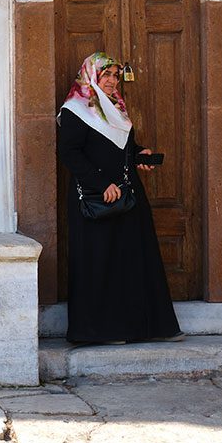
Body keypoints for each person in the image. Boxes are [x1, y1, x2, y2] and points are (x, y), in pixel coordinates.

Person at [56, 52, 182, 345]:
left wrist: (140, 155)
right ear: (92, 76)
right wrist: (102, 184)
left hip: (126, 195)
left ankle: (140, 328)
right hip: (96, 198)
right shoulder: (76, 109)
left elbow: (119, 147)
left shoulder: (115, 108)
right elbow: (70, 153)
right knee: (100, 262)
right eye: (107, 75)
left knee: (131, 260)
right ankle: (100, 331)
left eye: (115, 75)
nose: (113, 81)